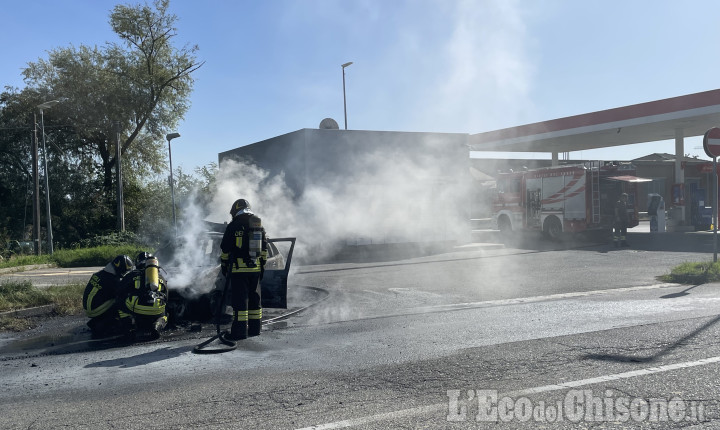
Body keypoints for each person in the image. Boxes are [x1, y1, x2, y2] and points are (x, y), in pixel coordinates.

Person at [220, 198, 268, 340]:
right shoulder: (258, 225)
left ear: (235, 210)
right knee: (254, 300)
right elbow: (264, 249)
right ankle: (255, 329)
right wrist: (261, 267)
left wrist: (224, 265)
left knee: (240, 303)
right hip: (255, 270)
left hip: (238, 271)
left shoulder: (233, 225)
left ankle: (239, 332)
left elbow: (225, 249)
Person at [118, 252, 169, 339]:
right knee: (165, 315)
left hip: (136, 308)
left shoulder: (132, 274)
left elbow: (120, 291)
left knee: (120, 305)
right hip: (156, 310)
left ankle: (130, 325)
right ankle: (157, 325)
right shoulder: (160, 277)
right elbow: (167, 297)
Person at [82, 255, 134, 338]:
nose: (124, 274)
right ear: (119, 269)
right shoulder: (112, 280)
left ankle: (97, 321)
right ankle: (110, 324)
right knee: (122, 301)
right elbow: (122, 293)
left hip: (89, 307)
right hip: (95, 309)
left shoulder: (101, 274)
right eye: (124, 271)